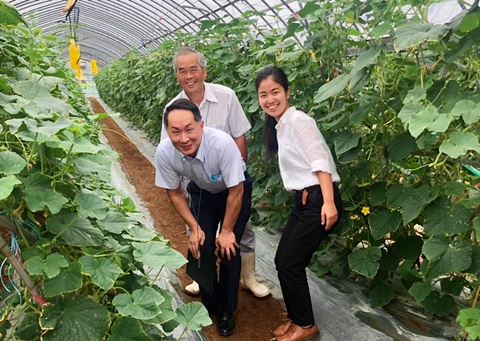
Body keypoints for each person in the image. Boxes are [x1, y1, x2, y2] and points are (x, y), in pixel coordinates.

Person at [160, 47, 270, 298]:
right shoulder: (173, 108)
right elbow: (170, 146)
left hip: (230, 177)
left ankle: (249, 279)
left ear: (204, 71)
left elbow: (239, 137)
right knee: (198, 230)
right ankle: (201, 278)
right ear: (176, 75)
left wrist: (237, 175)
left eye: (193, 69)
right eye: (182, 71)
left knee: (241, 230)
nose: (189, 76)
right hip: (197, 181)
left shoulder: (225, 96)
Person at [255, 66, 343, 341]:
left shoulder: (299, 121)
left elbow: (320, 162)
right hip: (304, 199)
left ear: (287, 92)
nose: (269, 99)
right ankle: (295, 318)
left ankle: (306, 325)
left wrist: (328, 203)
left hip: (318, 198)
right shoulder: (280, 125)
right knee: (282, 260)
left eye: (275, 92)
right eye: (263, 95)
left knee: (291, 263)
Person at [155, 98, 252, 336]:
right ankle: (210, 304)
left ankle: (227, 310)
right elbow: (175, 193)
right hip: (201, 193)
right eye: (175, 132)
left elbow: (236, 190)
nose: (184, 138)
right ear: (167, 132)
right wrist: (194, 227)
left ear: (201, 125)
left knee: (229, 249)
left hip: (234, 191)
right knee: (202, 245)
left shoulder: (222, 144)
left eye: (189, 129)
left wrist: (227, 231)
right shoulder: (166, 152)